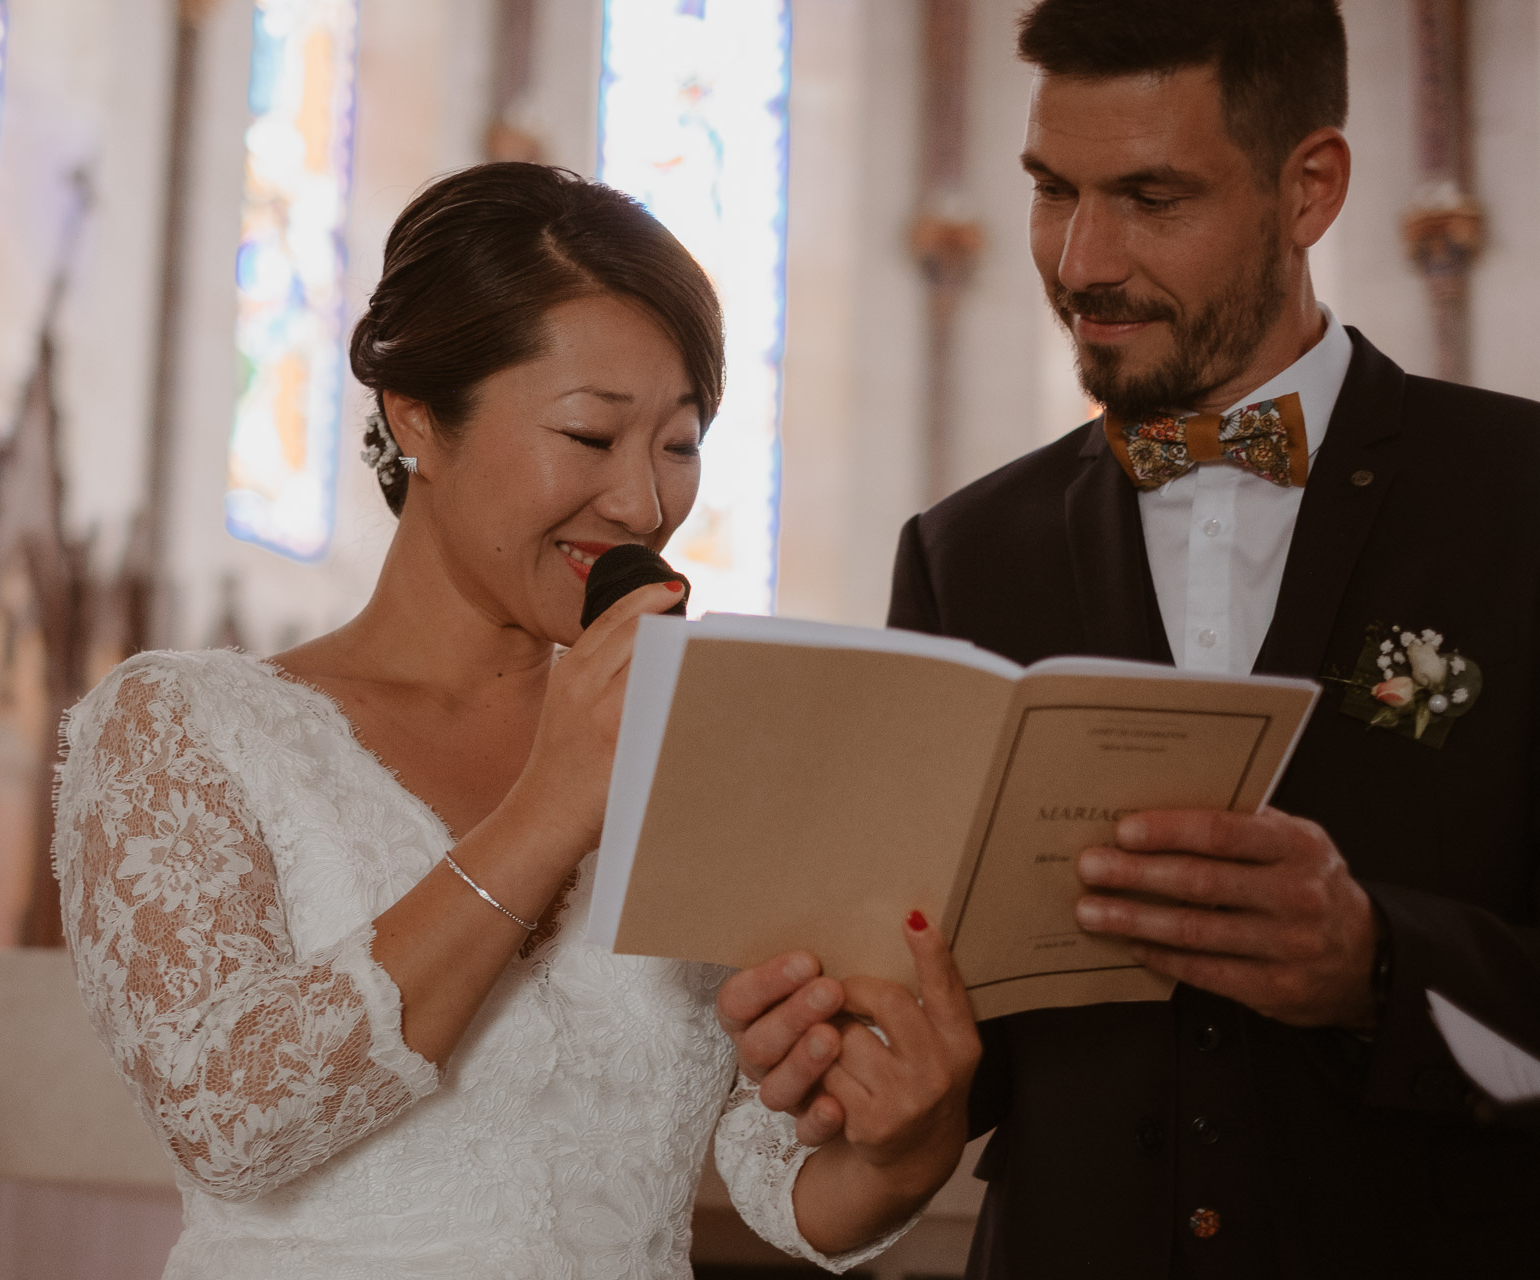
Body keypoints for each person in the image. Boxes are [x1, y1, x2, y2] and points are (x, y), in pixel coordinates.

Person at [722, 1, 1540, 1276]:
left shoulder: (1518, 496)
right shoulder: (961, 551)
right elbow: (950, 1041)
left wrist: (1376, 963)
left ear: (1307, 187)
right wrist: (862, 1064)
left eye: (1152, 197)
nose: (1081, 258)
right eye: (1053, 190)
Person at [51, 162, 980, 1280]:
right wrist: (552, 801)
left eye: (677, 444)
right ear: (416, 420)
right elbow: (231, 1121)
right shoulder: (180, 728)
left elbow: (775, 1164)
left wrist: (903, 1145)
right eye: (590, 437)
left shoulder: (706, 746)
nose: (642, 505)